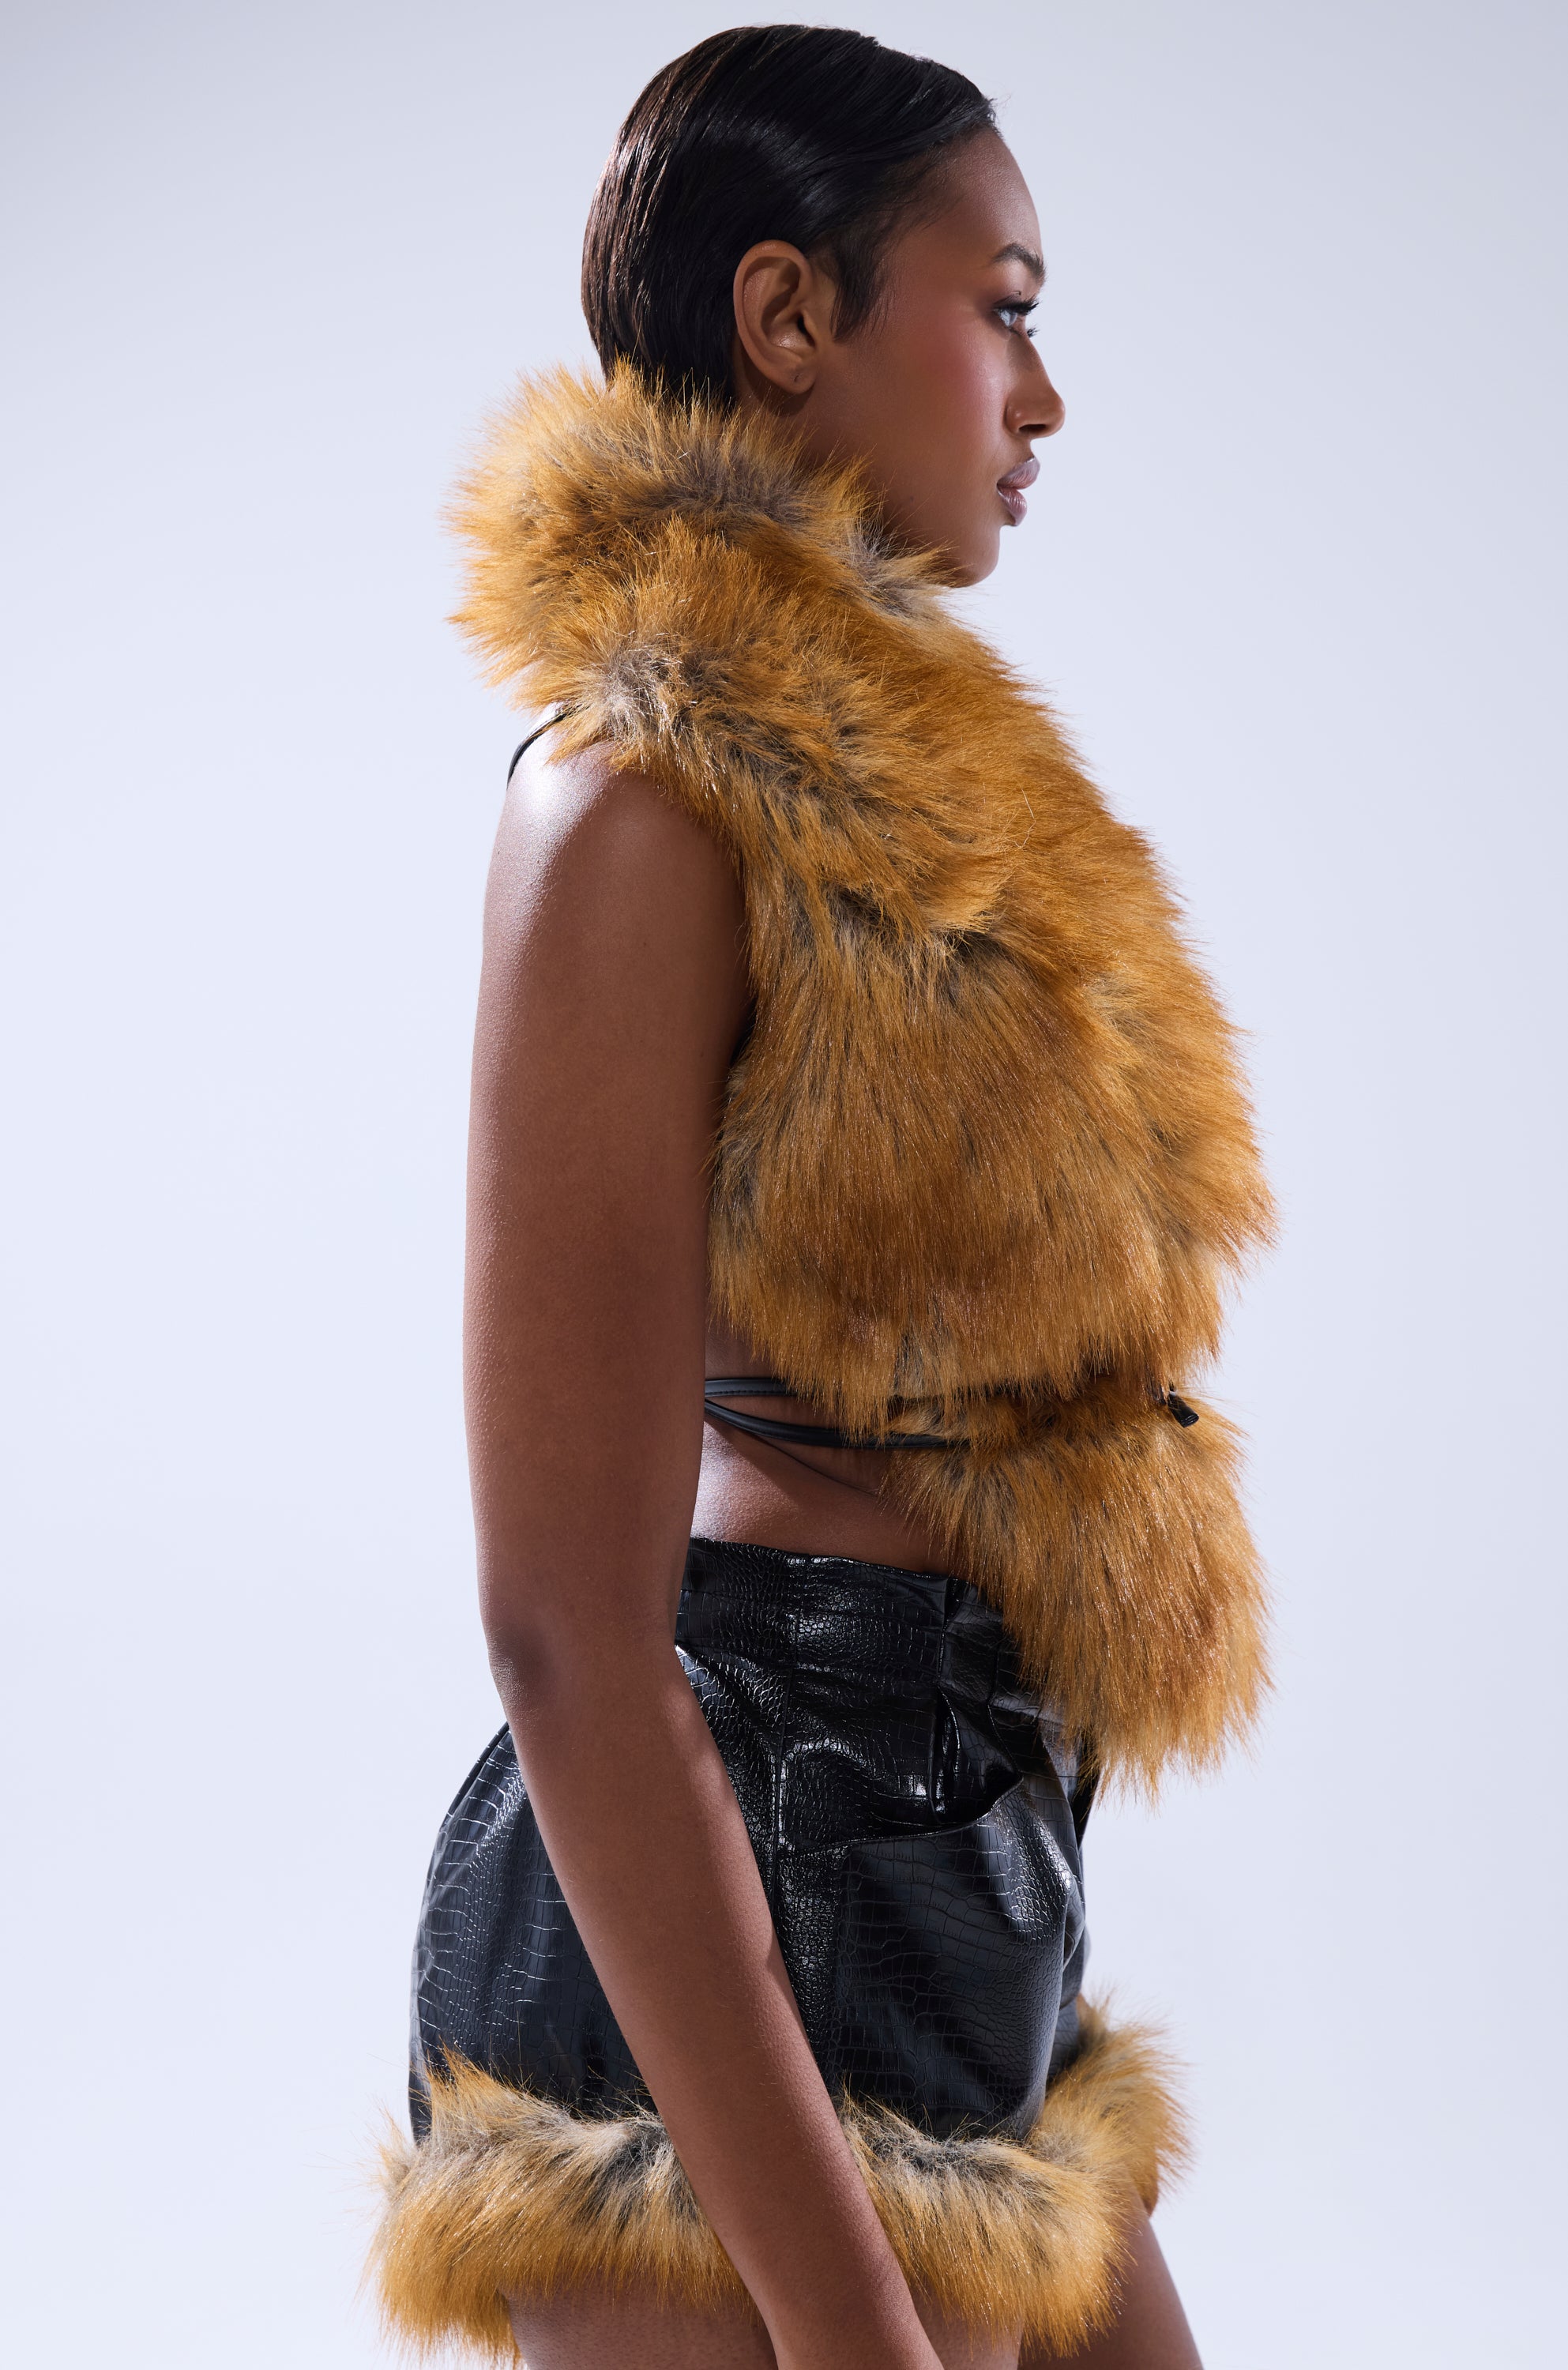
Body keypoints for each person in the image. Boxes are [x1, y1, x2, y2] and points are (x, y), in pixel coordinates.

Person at [373, 26, 1273, 2370]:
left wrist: (1022, 1952)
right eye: (1006, 303)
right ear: (790, 317)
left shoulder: (908, 835)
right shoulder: (639, 810)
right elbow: (566, 1637)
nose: (1042, 395)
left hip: (951, 1865)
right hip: (725, 1904)